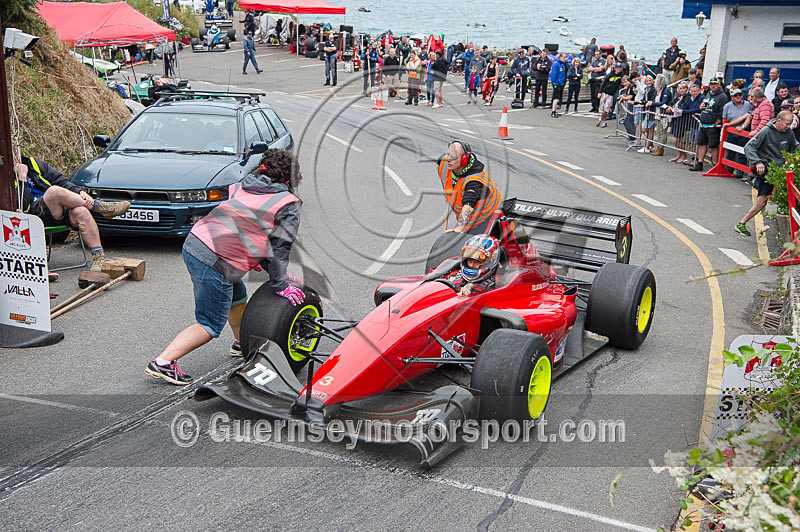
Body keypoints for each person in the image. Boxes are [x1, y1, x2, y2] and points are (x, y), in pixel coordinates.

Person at [146, 149, 304, 385]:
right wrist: (281, 284)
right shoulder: (287, 203)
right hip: (216, 259)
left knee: (237, 296)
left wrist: (277, 274)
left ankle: (241, 344)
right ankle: (163, 362)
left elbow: (248, 230)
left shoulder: (243, 185)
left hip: (196, 243)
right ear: (290, 179)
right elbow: (280, 247)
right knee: (209, 323)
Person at [14, 154, 130, 272]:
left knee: (82, 211)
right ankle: (99, 206)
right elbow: (22, 205)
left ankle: (98, 259)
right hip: (32, 215)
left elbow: (61, 181)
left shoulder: (32, 163)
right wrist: (22, 178)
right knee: (53, 191)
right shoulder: (5, 174)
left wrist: (79, 192)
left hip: (56, 208)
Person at [736, 111, 799, 236]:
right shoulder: (766, 131)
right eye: (786, 124)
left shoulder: (789, 133)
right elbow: (749, 147)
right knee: (764, 199)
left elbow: (795, 147)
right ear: (778, 121)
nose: (788, 127)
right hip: (765, 168)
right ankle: (742, 222)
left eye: (790, 124)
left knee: (765, 199)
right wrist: (757, 162)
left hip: (778, 169)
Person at [437, 140, 503, 234]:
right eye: (448, 154)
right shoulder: (446, 164)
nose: (448, 159)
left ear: (464, 159)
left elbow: (468, 207)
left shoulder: (475, 181)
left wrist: (458, 228)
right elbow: (438, 163)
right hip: (470, 223)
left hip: (488, 222)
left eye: (453, 157)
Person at [690, 76, 728, 171]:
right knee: (702, 144)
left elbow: (722, 111)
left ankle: (715, 165)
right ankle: (699, 163)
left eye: (715, 84)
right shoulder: (708, 94)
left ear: (718, 85)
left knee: (713, 145)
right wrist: (701, 107)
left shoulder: (722, 96)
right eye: (711, 85)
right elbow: (703, 106)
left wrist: (718, 122)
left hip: (713, 124)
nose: (713, 86)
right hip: (704, 123)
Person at [722, 88, 754, 176]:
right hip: (731, 132)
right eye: (736, 95)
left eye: (740, 95)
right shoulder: (727, 106)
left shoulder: (748, 105)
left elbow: (749, 117)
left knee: (742, 153)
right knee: (730, 152)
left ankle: (740, 171)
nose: (738, 97)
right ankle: (729, 169)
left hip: (744, 132)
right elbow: (724, 120)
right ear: (732, 97)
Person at [667, 81, 691, 162]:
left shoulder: (688, 97)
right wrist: (670, 107)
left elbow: (684, 107)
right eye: (680, 88)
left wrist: (678, 104)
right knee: (675, 139)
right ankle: (678, 155)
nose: (682, 90)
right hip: (675, 119)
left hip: (682, 121)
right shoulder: (677, 96)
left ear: (687, 89)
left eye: (684, 88)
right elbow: (672, 103)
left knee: (676, 139)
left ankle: (684, 155)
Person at [597, 62, 623, 128]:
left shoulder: (621, 76)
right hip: (604, 92)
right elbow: (603, 83)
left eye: (620, 68)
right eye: (617, 68)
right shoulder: (610, 75)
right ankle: (604, 122)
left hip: (611, 94)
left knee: (606, 109)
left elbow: (625, 80)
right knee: (602, 108)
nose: (618, 69)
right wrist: (600, 92)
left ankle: (600, 119)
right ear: (615, 68)